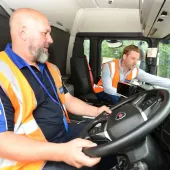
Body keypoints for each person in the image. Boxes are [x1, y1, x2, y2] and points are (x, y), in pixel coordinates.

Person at [0, 8, 112, 170]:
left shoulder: (51, 68)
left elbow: (67, 99)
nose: (51, 40)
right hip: (31, 160)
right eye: (45, 33)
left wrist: (97, 112)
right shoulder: (2, 73)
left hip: (64, 134)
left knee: (109, 142)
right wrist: (62, 152)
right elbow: (2, 140)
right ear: (23, 33)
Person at [96, 45, 170, 104]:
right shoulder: (109, 66)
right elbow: (108, 89)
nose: (135, 62)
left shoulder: (134, 70)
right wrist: (128, 95)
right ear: (125, 57)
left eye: (137, 59)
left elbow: (154, 79)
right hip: (102, 92)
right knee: (121, 100)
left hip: (119, 94)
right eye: (133, 58)